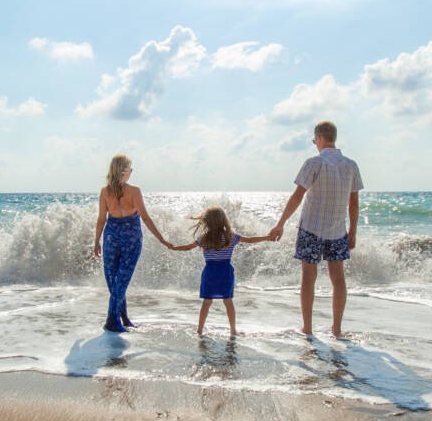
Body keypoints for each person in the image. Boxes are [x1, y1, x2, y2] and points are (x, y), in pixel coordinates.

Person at [268, 121, 363, 337]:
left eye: (314, 141)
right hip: (338, 230)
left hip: (311, 228)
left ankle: (308, 328)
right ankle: (337, 329)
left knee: (308, 277)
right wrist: (353, 231)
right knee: (338, 279)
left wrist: (280, 223)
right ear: (334, 138)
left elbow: (297, 196)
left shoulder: (314, 163)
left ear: (319, 138)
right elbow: (354, 204)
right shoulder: (351, 165)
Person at [94, 154, 171, 332]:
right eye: (130, 169)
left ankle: (123, 317)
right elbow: (145, 217)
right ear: (124, 171)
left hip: (111, 236)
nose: (132, 172)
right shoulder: (134, 191)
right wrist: (161, 239)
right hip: (130, 237)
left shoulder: (105, 191)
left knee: (116, 280)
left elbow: (101, 220)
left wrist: (97, 241)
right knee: (120, 280)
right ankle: (112, 320)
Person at [170, 206, 270, 336]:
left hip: (210, 272)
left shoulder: (204, 238)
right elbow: (250, 240)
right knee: (228, 301)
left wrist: (173, 247)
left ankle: (200, 330)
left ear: (206, 222)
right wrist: (267, 237)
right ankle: (233, 330)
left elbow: (188, 247)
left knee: (207, 302)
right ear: (224, 221)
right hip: (225, 272)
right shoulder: (231, 237)